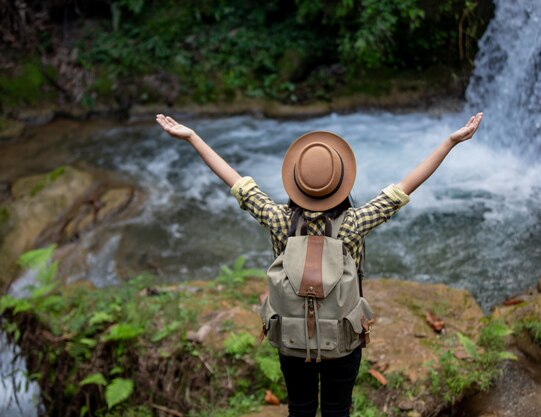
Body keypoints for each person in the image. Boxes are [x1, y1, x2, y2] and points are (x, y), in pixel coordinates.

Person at [155, 112, 483, 417]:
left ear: (295, 183)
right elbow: (405, 187)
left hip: (292, 340)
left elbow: (235, 181)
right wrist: (449, 142)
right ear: (341, 184)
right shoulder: (356, 223)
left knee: (300, 406)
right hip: (342, 340)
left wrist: (193, 137)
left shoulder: (277, 220)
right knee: (337, 409)